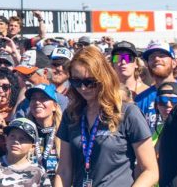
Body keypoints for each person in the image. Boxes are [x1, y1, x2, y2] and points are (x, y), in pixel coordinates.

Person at [54, 46, 158, 187]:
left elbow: (150, 171)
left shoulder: (127, 113)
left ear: (104, 78)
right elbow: (64, 171)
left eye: (89, 82)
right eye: (76, 82)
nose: (83, 88)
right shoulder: (71, 114)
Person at [0, 118, 51, 187]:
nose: (16, 141)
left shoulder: (39, 171)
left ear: (32, 147)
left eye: (22, 138)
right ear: (6, 139)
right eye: (12, 136)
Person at [135, 41, 177, 132]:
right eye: (151, 57)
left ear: (174, 63)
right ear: (147, 65)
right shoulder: (140, 100)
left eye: (162, 55)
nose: (156, 58)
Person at [24, 84, 62, 182]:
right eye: (33, 98)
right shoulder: (23, 132)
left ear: (55, 106)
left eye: (43, 98)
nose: (37, 102)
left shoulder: (64, 132)